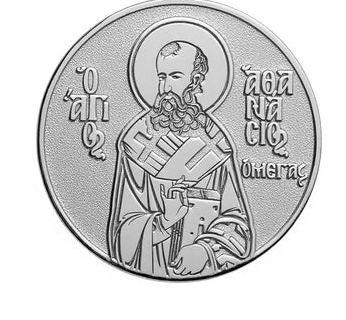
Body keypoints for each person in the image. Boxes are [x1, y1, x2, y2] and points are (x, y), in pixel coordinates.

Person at [108, 41, 252, 278]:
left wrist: (205, 250)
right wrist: (164, 221)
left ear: (195, 80)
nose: (165, 88)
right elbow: (122, 229)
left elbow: (237, 222)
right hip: (147, 271)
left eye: (175, 76)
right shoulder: (137, 142)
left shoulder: (215, 143)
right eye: (161, 77)